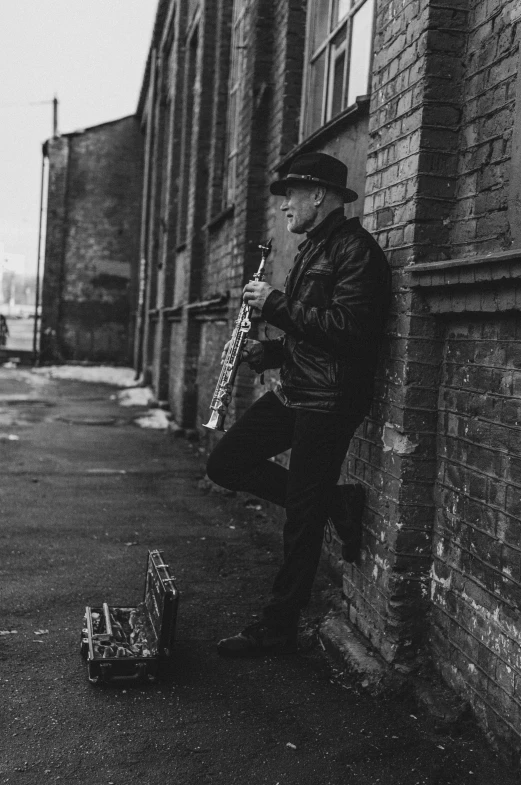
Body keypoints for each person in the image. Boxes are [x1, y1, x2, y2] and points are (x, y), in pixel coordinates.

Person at [206, 152, 392, 658]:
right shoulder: (313, 248)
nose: (285, 205)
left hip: (330, 400)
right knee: (225, 462)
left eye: (292, 193)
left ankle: (278, 626)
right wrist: (267, 351)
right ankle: (333, 501)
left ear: (318, 196)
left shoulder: (357, 252)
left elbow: (350, 333)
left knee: (300, 523)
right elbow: (312, 333)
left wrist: (275, 305)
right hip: (297, 388)